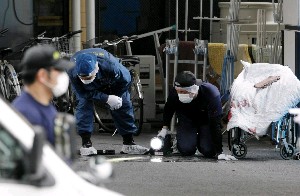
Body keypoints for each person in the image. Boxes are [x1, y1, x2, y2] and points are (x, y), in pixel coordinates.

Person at [68, 48, 149, 156]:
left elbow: (126, 81)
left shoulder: (111, 66)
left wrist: (116, 98)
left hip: (112, 83)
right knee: (83, 104)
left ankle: (129, 143)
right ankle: (86, 144)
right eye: (82, 77)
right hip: (87, 90)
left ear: (96, 68)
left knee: (124, 104)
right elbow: (83, 93)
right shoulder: (71, 69)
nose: (86, 80)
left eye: (89, 77)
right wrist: (106, 98)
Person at [158, 71, 237, 160]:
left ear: (194, 89)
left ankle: (203, 141)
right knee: (186, 150)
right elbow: (169, 109)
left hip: (207, 121)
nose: (181, 95)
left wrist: (220, 152)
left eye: (185, 92)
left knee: (209, 151)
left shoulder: (211, 93)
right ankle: (183, 141)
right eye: (179, 92)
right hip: (186, 118)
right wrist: (164, 129)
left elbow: (215, 123)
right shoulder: (174, 93)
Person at [12, 45, 74, 145]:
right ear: (42, 75)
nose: (63, 75)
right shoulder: (27, 114)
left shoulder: (44, 105)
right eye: (58, 70)